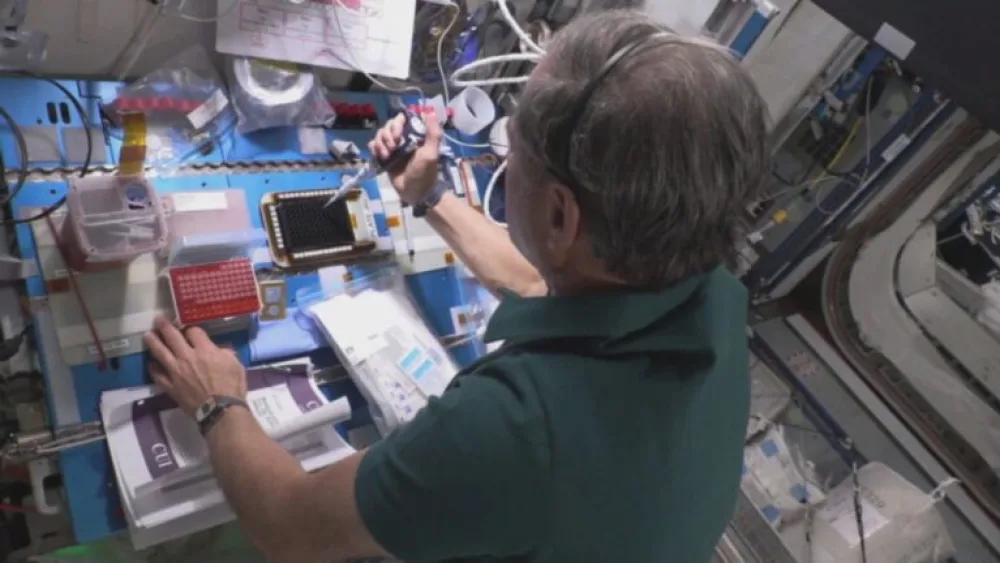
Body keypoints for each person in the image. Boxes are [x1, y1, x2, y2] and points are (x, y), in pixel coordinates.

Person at [143, 9, 768, 563]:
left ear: (559, 216)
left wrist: (218, 403)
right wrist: (429, 194)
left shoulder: (512, 430)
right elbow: (539, 285)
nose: (501, 164)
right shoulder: (708, 289)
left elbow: (291, 529)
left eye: (513, 153)